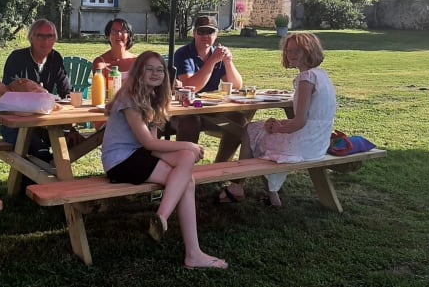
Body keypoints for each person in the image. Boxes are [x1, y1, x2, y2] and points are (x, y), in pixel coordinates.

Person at [101, 50, 228, 270]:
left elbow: (151, 142)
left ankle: (187, 248)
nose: (154, 73)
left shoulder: (152, 97)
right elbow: (149, 144)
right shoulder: (129, 97)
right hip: (120, 161)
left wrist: (183, 153)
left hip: (138, 153)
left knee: (186, 175)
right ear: (138, 72)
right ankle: (166, 221)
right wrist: (187, 145)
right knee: (186, 175)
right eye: (148, 68)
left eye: (159, 70)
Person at [218, 32, 337, 207]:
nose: (292, 54)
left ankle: (237, 186)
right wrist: (280, 124)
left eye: (298, 50)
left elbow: (300, 122)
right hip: (318, 142)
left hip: (303, 145)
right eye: (289, 50)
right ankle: (272, 195)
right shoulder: (322, 75)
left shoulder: (306, 78)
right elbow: (308, 118)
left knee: (249, 131)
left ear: (310, 51)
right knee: (259, 128)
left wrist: (278, 129)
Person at [171, 16, 246, 161]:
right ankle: (185, 167)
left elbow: (237, 86)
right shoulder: (183, 54)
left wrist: (228, 62)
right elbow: (190, 87)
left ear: (216, 34)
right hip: (185, 109)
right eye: (201, 31)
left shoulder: (217, 54)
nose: (206, 36)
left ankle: (220, 165)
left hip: (211, 109)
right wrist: (212, 61)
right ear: (194, 33)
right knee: (191, 122)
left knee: (239, 119)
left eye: (210, 32)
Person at [0, 19, 72, 163]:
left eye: (50, 36)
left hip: (45, 123)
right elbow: (10, 89)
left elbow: (67, 91)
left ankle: (46, 179)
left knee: (73, 142)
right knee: (40, 151)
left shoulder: (55, 58)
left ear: (55, 39)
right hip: (17, 124)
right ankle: (37, 183)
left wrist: (72, 127)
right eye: (40, 36)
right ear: (31, 37)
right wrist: (38, 91)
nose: (45, 41)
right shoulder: (17, 58)